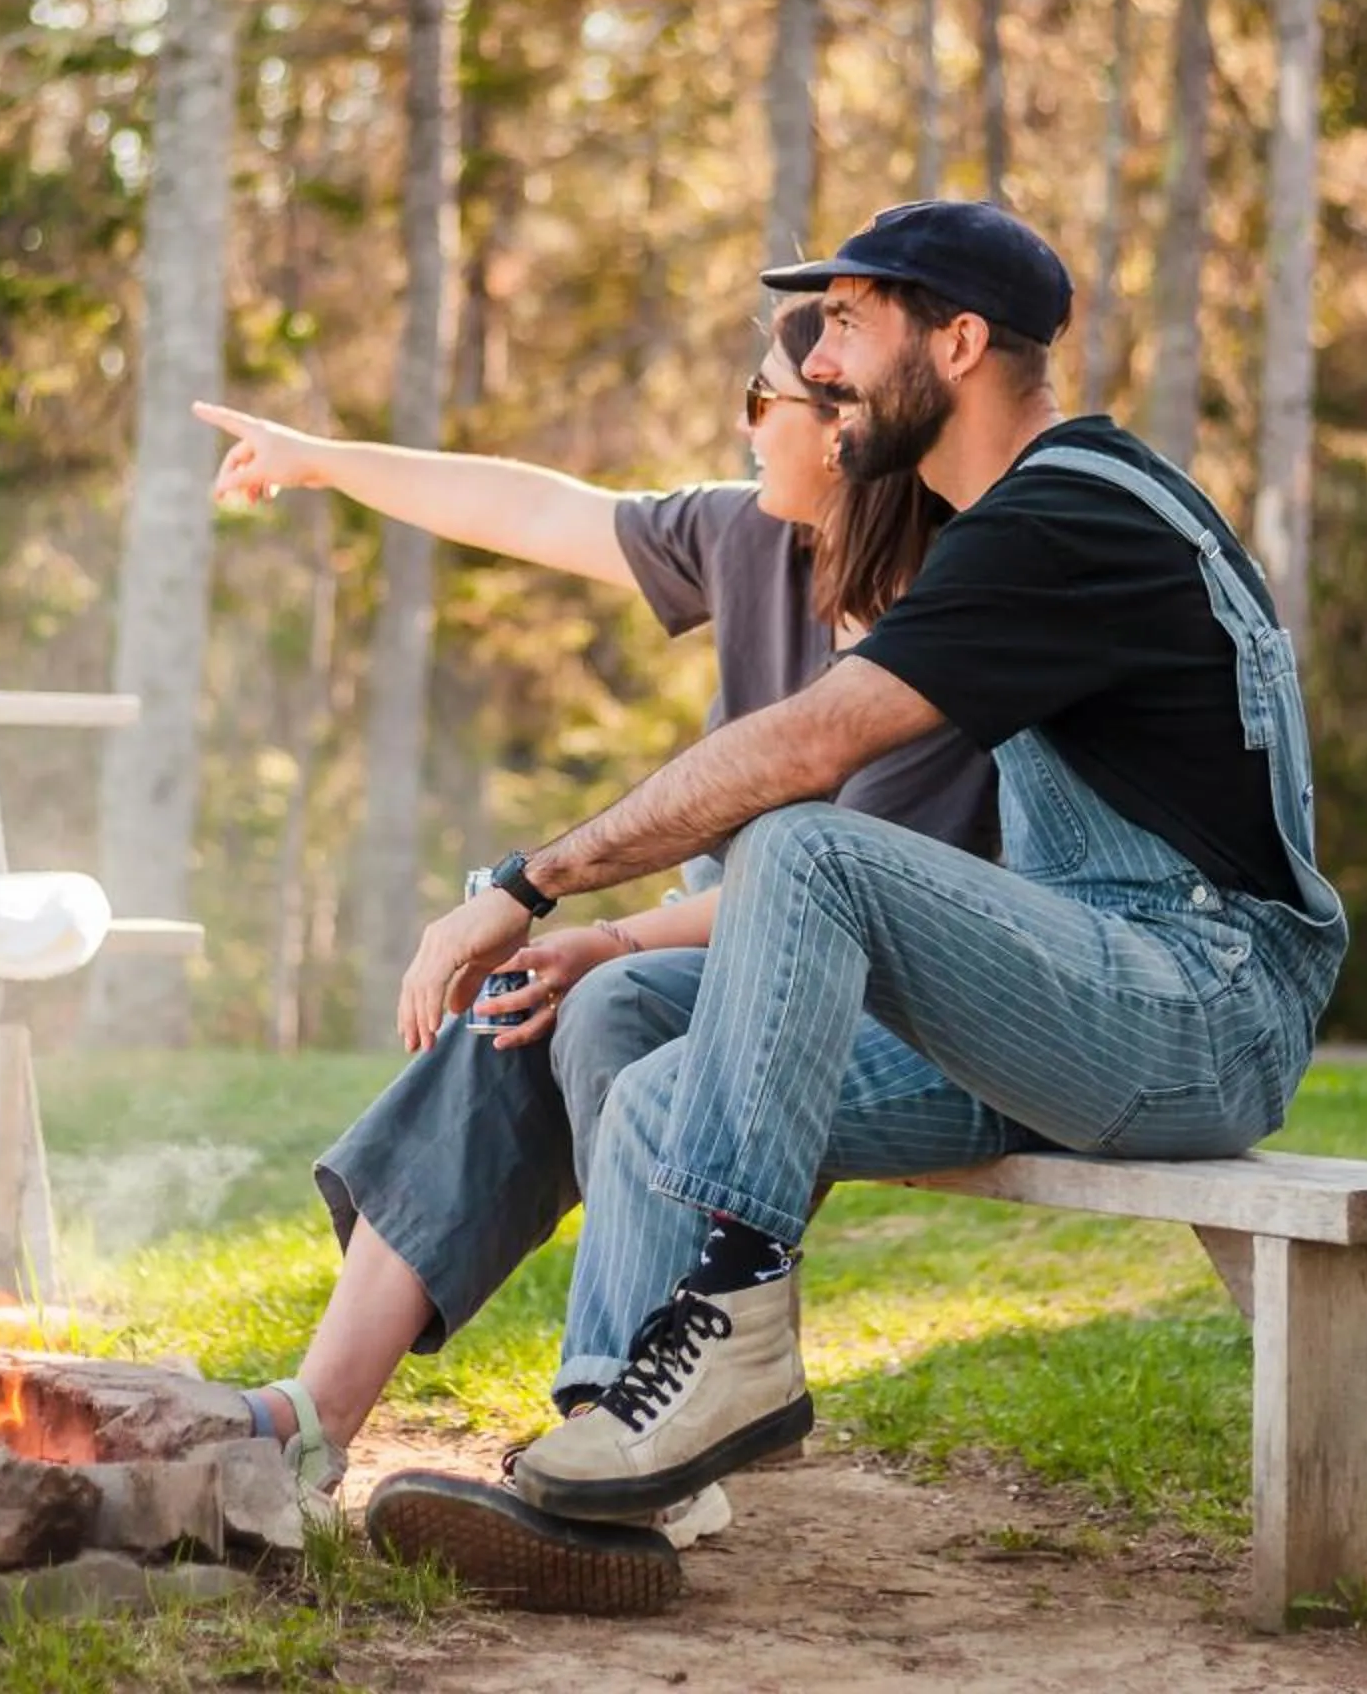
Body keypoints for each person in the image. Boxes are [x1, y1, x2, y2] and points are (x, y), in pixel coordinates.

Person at [372, 200, 1348, 1584]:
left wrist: (529, 884)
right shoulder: (997, 523)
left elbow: (812, 750)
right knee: (656, 1091)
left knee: (803, 842)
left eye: (846, 322)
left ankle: (733, 1328)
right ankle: (616, 1462)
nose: (817, 361)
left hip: (1203, 1006)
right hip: (1077, 1000)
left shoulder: (1070, 514)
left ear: (957, 342)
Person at [190, 300, 998, 1582]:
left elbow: (842, 894)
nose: (741, 426)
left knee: (597, 993)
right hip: (724, 962)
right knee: (534, 1000)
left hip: (900, 996)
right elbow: (536, 508)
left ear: (847, 427)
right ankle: (315, 1419)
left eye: (764, 399)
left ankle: (627, 1440)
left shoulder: (947, 614)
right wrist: (326, 459)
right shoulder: (751, 539)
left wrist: (608, 931)